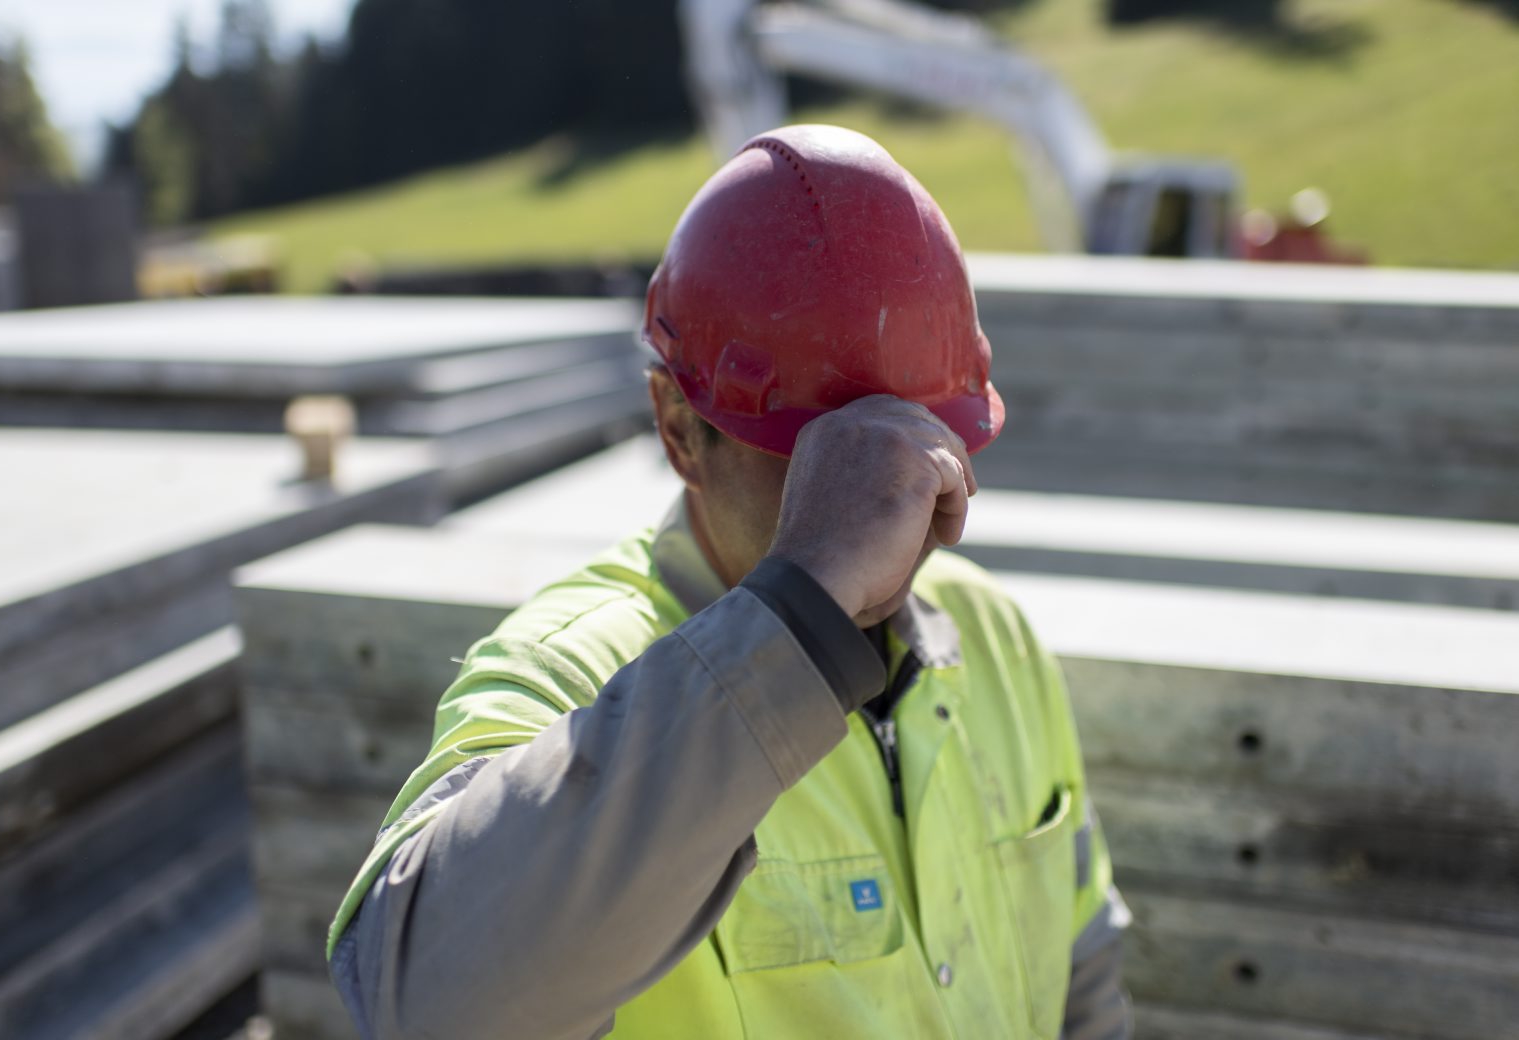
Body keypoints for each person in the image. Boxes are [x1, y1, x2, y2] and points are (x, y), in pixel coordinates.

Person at [326, 124, 1132, 1039]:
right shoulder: (573, 676)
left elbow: (1082, 970)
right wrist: (799, 614)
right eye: (819, 459)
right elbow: (426, 1002)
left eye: (920, 445)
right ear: (677, 428)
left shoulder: (995, 639)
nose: (894, 504)